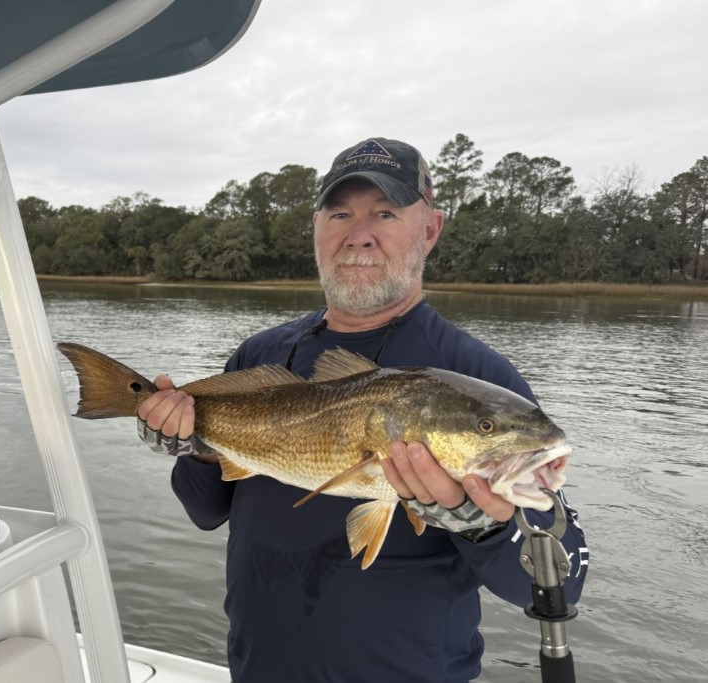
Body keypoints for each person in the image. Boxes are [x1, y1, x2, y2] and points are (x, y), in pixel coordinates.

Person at [137, 137, 588, 682]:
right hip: (257, 665)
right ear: (317, 228)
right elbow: (205, 510)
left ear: (430, 229)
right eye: (340, 213)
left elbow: (559, 581)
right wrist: (192, 446)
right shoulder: (260, 355)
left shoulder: (479, 379)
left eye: (385, 212)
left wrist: (474, 521)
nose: (359, 234)